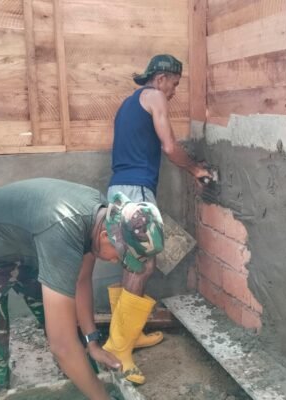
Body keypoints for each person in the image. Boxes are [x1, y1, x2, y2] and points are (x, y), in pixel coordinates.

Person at [0, 178, 164, 399]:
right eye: (120, 255)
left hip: (27, 248)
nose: (114, 261)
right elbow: (61, 346)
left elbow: (81, 280)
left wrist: (92, 342)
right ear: (106, 236)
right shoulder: (64, 231)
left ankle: (85, 388)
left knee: (75, 337)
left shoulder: (102, 217)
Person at [104, 54, 212, 384]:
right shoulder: (153, 96)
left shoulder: (129, 103)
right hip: (136, 191)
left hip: (119, 190)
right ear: (161, 78)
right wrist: (195, 169)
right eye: (174, 84)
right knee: (143, 265)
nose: (174, 92)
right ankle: (119, 349)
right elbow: (169, 146)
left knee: (132, 262)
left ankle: (129, 334)